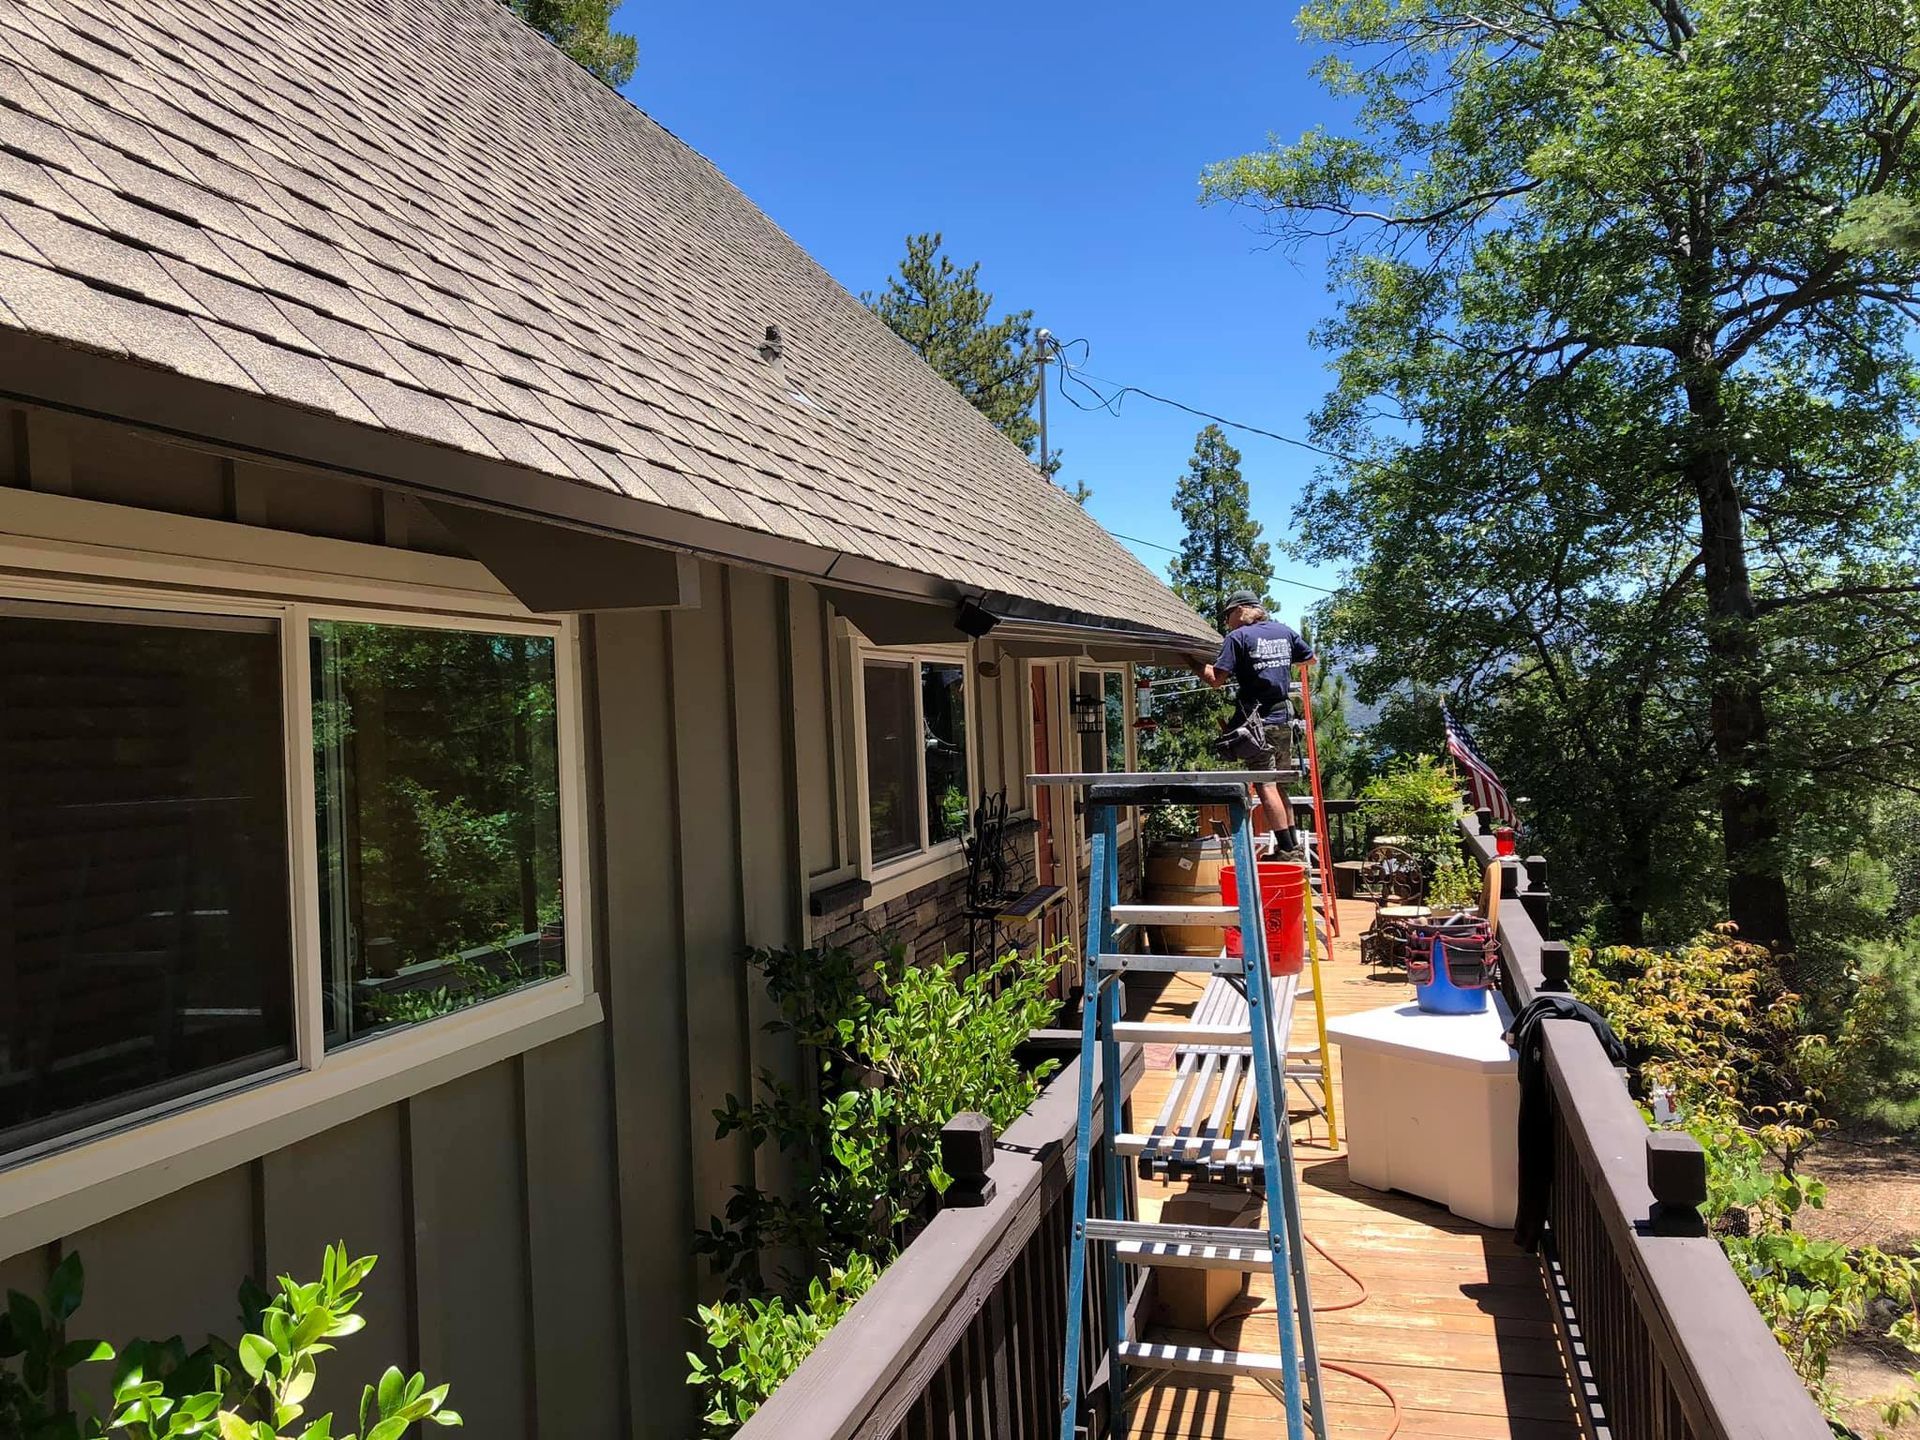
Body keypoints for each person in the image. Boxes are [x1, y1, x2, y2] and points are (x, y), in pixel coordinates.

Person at [1189, 590, 1314, 857]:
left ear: (1242, 610)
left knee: (1265, 784)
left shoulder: (1238, 638)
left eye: (1228, 615)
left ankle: (1287, 849)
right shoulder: (1283, 631)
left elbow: (1216, 680)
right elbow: (1310, 659)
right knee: (1279, 783)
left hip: (1259, 724)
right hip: (1284, 717)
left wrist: (1190, 661)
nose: (1227, 622)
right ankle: (1291, 845)